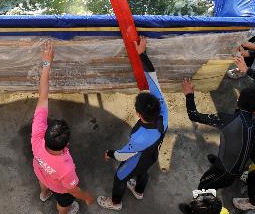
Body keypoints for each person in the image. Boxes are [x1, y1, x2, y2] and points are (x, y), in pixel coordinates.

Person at [97, 36, 168, 211]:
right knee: (143, 173)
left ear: (138, 114)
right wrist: (142, 54)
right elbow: (153, 78)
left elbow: (123, 155)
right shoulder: (163, 114)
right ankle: (138, 191)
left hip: (138, 158)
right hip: (152, 156)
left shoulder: (139, 137)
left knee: (120, 177)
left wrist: (110, 153)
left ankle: (115, 203)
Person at [32, 41, 95, 214]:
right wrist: (86, 197)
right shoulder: (66, 168)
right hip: (60, 187)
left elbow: (43, 97)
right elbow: (72, 189)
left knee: (43, 180)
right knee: (65, 203)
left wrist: (46, 64)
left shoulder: (36, 137)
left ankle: (43, 194)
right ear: (66, 145)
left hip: (40, 170)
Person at [183, 78, 255, 189]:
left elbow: (194, 115)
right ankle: (218, 161)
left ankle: (196, 205)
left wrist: (189, 95)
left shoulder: (226, 119)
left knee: (203, 186)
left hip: (225, 173)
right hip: (236, 166)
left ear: (238, 98)